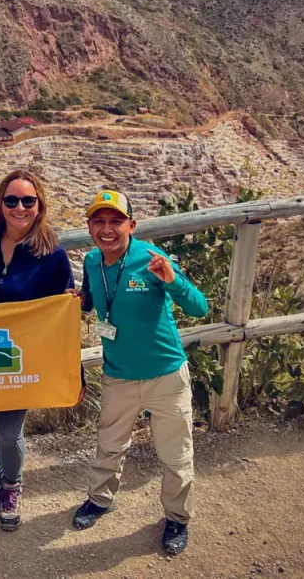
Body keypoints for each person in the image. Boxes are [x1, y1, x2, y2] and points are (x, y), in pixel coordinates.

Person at [69, 189, 208, 556]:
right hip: (118, 374)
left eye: (116, 221)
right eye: (99, 221)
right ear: (89, 227)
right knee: (109, 445)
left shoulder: (152, 256)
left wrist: (172, 280)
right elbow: (92, 301)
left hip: (165, 374)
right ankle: (100, 500)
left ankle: (177, 518)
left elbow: (198, 307)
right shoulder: (92, 262)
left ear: (132, 225)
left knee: (176, 455)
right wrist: (77, 302)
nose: (107, 229)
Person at [0, 169, 76, 531]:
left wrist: (74, 306)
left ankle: (11, 484)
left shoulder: (50, 251)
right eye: (11, 200)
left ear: (39, 205)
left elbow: (65, 307)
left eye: (28, 201)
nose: (19, 207)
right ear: (0, 203)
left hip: (18, 352)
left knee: (8, 428)